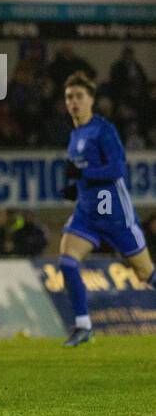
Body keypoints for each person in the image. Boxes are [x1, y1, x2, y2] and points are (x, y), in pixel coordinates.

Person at [56, 72, 154, 346]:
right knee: (67, 260)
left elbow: (117, 169)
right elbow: (85, 175)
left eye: (78, 97)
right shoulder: (75, 133)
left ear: (91, 100)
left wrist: (82, 174)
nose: (73, 102)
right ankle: (83, 325)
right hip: (87, 215)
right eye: (68, 97)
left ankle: (83, 326)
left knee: (145, 274)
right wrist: (75, 189)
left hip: (115, 216)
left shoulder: (103, 130)